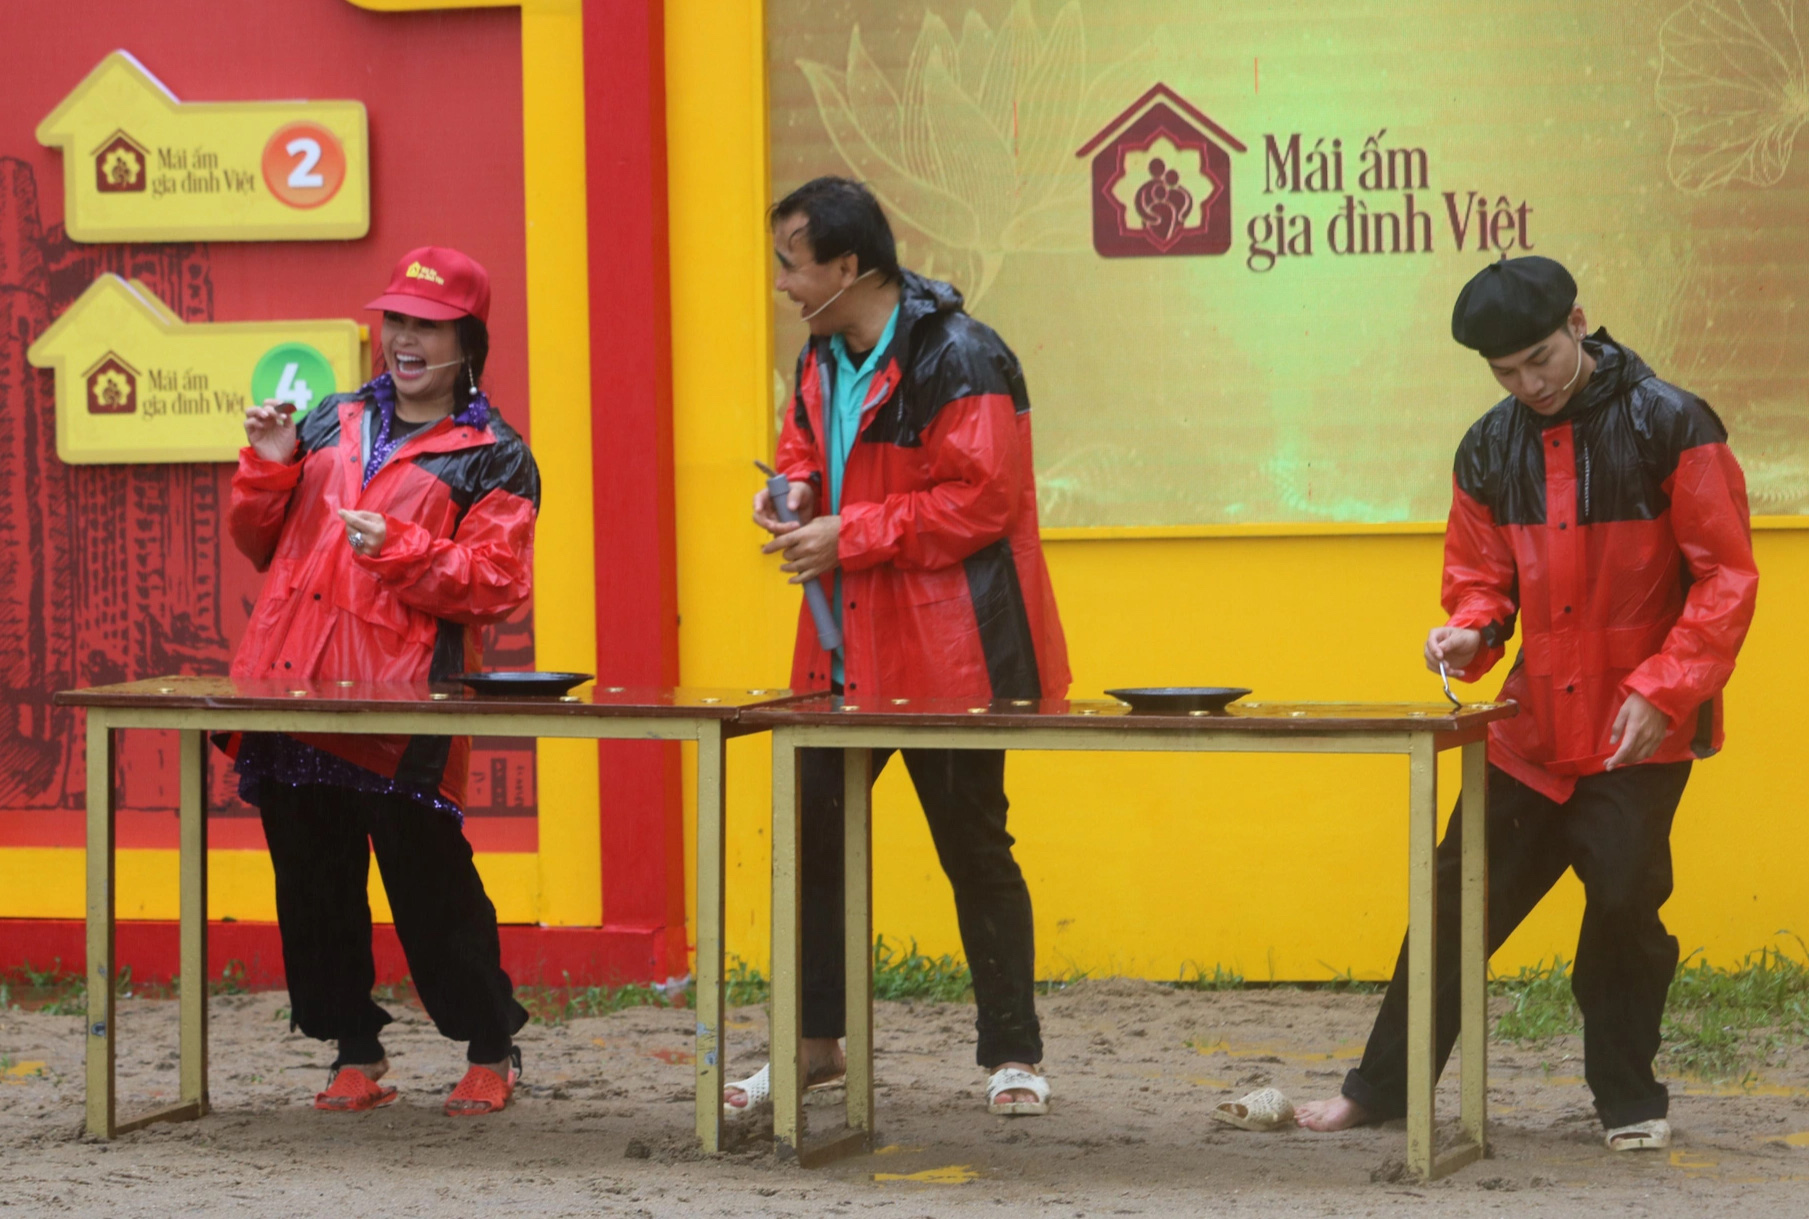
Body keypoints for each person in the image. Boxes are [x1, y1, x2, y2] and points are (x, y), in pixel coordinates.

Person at [1293, 256, 1759, 1150]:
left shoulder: (1672, 422)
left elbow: (1725, 579)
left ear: (1578, 322)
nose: (1529, 384)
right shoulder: (1485, 446)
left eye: (1540, 359)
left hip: (1636, 730)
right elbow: (1481, 581)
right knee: (1451, 903)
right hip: (1531, 732)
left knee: (1623, 901)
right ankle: (1380, 1088)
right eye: (1505, 372)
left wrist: (1664, 690)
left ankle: (1628, 1102)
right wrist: (1469, 631)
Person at [727, 177, 1070, 1117]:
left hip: (948, 652)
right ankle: (812, 1048)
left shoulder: (960, 355)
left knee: (974, 847)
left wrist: (851, 531)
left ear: (846, 266)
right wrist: (792, 497)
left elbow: (983, 502)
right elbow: (803, 454)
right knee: (814, 848)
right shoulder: (820, 354)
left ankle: (1013, 1054)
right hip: (841, 651)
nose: (784, 285)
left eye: (791, 265)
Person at [221, 246, 541, 1116]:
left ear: (467, 341)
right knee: (312, 882)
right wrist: (269, 465)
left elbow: (497, 582)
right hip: (290, 689)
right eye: (394, 319)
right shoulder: (327, 418)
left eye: (425, 326)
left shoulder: (496, 455)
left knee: (431, 884)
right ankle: (352, 1051)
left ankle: (489, 1046)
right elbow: (260, 543)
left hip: (403, 706)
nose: (402, 339)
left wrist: (398, 549)